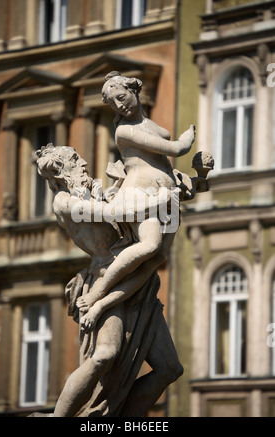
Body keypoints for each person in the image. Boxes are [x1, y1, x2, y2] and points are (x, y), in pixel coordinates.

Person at [35, 144, 183, 417]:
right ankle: (58, 417)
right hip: (106, 277)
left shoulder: (91, 191)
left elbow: (120, 207)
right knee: (105, 354)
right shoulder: (65, 202)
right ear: (61, 170)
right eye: (75, 160)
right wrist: (162, 200)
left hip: (136, 277)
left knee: (169, 369)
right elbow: (116, 213)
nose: (83, 162)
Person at [76, 71, 195, 320]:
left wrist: (190, 182)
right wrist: (187, 138)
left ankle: (102, 304)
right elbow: (175, 149)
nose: (119, 105)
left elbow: (162, 164)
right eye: (113, 103)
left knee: (158, 257)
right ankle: (97, 291)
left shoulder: (148, 125)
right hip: (142, 194)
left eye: (121, 97)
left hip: (168, 199)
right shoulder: (124, 131)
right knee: (150, 245)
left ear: (133, 90)